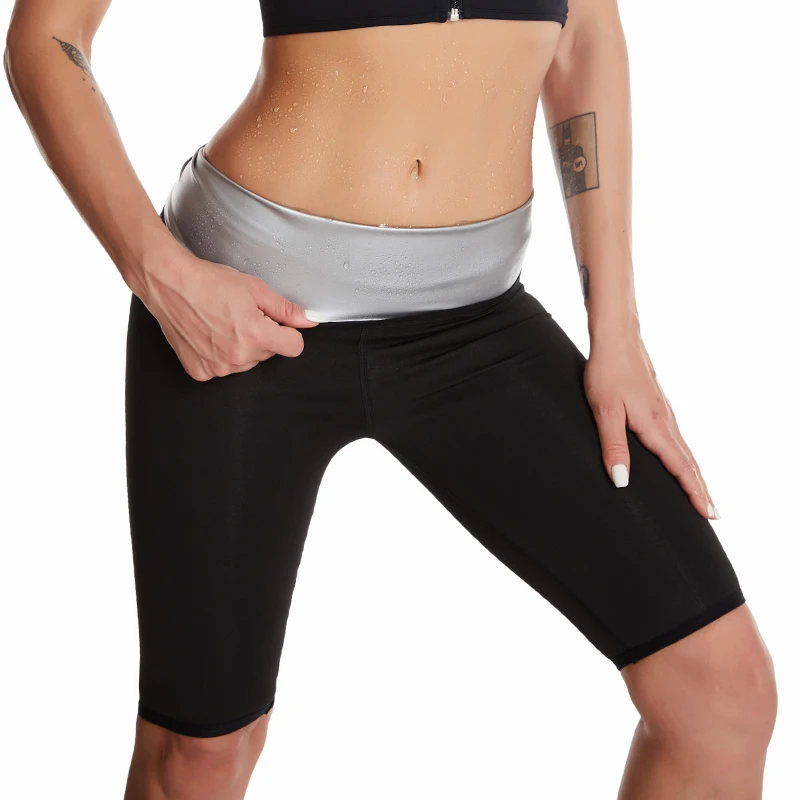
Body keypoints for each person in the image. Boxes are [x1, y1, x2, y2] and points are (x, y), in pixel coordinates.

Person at [4, 0, 778, 796]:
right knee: (200, 754)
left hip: (475, 323)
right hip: (248, 312)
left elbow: (583, 35)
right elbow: (45, 34)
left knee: (722, 693)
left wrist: (617, 332)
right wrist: (160, 273)